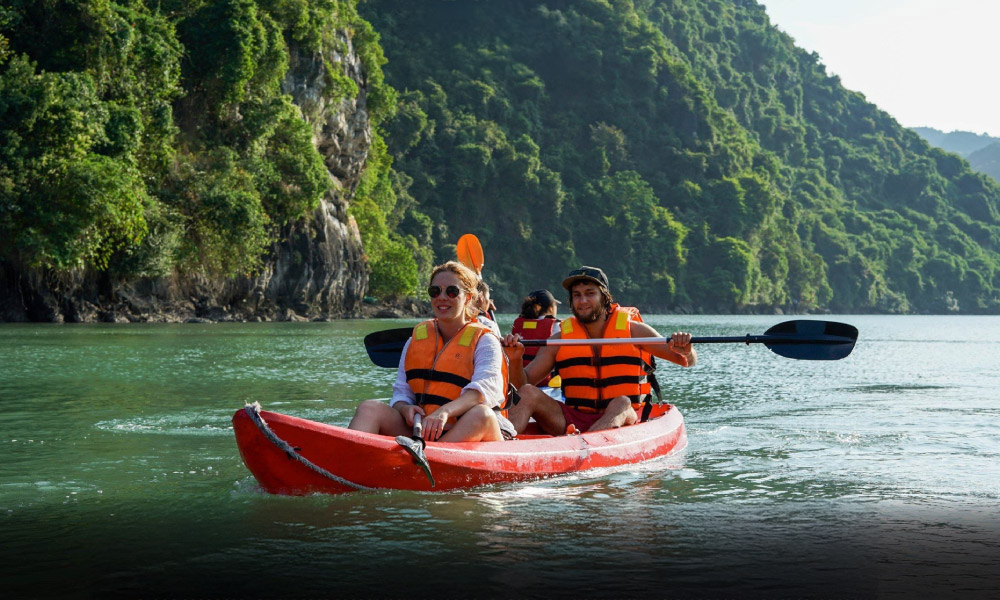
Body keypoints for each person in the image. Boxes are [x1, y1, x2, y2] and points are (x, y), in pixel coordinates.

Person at [502, 266, 696, 435]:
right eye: (576, 295)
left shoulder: (634, 331)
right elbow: (521, 386)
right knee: (528, 392)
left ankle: (585, 447)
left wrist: (686, 349)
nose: (582, 300)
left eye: (590, 293)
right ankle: (500, 444)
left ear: (605, 297)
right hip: (573, 419)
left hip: (625, 417)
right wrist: (516, 360)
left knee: (621, 402)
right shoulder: (560, 340)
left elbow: (685, 360)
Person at [349, 261, 515, 442]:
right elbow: (401, 393)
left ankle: (423, 464)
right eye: (435, 292)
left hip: (474, 430)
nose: (442, 297)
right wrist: (405, 408)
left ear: (468, 298)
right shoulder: (414, 341)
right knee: (369, 408)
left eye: (452, 292)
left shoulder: (485, 340)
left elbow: (485, 392)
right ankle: (346, 463)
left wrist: (444, 412)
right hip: (425, 430)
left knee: (481, 414)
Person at [510, 289, 561, 389]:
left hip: (518, 379)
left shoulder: (518, 323)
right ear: (551, 308)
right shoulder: (555, 325)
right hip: (547, 382)